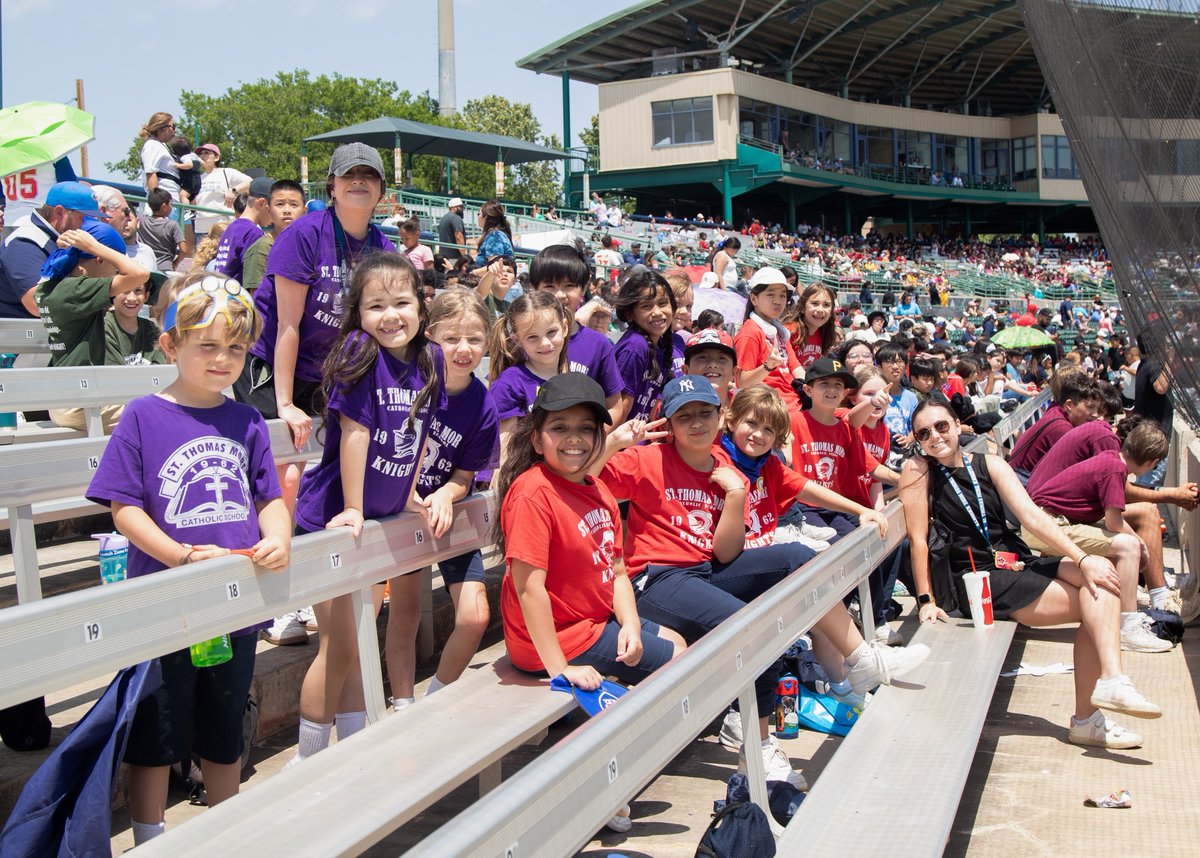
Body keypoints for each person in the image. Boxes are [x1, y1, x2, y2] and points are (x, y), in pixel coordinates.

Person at [594, 375, 928, 787]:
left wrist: (737, 495)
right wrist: (613, 443)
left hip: (706, 569)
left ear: (719, 418)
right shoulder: (647, 459)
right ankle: (759, 746)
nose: (696, 423)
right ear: (669, 421)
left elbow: (727, 552)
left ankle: (859, 662)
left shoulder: (722, 466)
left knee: (797, 558)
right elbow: (583, 478)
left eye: (704, 414)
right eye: (684, 417)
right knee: (756, 626)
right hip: (657, 580)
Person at [84, 274, 291, 843]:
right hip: (165, 605)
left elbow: (268, 496)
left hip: (234, 605)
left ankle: (227, 832)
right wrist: (177, 556)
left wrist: (279, 536)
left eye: (235, 347)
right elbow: (123, 509)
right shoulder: (142, 416)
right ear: (170, 345)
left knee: (225, 729)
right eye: (207, 345)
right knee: (157, 730)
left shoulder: (246, 420)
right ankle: (151, 835)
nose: (223, 359)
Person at [900, 400, 1161, 750]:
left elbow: (1032, 516)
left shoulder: (989, 463)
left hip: (1015, 561)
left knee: (1103, 581)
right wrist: (925, 600)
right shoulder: (918, 473)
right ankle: (1091, 714)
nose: (935, 437)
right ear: (917, 440)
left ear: (958, 424)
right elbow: (918, 540)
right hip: (979, 580)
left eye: (942, 426)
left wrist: (1081, 559)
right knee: (1098, 601)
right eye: (924, 433)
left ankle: (1109, 686)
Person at [291, 252, 442, 762]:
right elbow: (355, 434)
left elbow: (420, 430)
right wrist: (354, 507)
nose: (391, 316)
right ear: (357, 314)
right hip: (333, 517)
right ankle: (307, 757)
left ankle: (351, 748)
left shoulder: (429, 358)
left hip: (380, 515)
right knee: (337, 646)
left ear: (422, 307)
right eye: (376, 305)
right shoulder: (360, 350)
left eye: (401, 302)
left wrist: (411, 490)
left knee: (356, 643)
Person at [496, 371, 684, 687]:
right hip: (554, 640)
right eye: (559, 428)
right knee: (681, 661)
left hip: (592, 622)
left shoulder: (598, 490)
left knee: (677, 639)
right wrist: (560, 670)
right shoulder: (532, 494)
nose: (574, 438)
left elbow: (618, 572)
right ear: (536, 440)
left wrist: (631, 625)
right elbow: (530, 590)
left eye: (586, 428)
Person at [237, 142, 395, 500]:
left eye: (369, 174)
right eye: (349, 174)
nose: (358, 181)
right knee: (281, 473)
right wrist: (286, 403)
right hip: (274, 365)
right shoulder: (303, 235)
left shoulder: (384, 248)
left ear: (382, 190)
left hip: (329, 371)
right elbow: (288, 325)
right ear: (332, 187)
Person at [385, 290, 499, 707]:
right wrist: (409, 493)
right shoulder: (409, 383)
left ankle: (434, 702)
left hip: (448, 515)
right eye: (452, 338)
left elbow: (466, 475)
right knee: (405, 614)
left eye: (474, 338)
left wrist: (449, 494)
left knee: (475, 616)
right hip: (404, 510)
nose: (464, 349)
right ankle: (403, 705)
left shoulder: (482, 402)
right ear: (430, 336)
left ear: (487, 341)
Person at [1021, 420, 1174, 652]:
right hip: (1047, 525)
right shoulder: (1116, 469)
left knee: (1126, 543)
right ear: (1152, 463)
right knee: (1129, 546)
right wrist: (1141, 544)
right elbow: (1114, 522)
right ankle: (1128, 628)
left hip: (1047, 521)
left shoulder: (1112, 458)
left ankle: (1124, 608)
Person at [35, 220, 166, 431]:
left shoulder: (54, 286)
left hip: (69, 396)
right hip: (78, 401)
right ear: (99, 258)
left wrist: (76, 246)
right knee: (165, 413)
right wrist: (94, 246)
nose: (117, 273)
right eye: (115, 267)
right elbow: (139, 275)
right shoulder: (75, 289)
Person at [527, 244, 623, 424]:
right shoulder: (520, 341)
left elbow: (615, 406)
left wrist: (595, 445)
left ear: (583, 288)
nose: (560, 295)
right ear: (534, 288)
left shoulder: (598, 344)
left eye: (569, 285)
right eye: (549, 286)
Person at [0, 181, 106, 319]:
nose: (86, 224)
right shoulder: (25, 241)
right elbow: (38, 304)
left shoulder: (56, 238)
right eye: (83, 217)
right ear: (60, 212)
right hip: (20, 336)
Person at [488, 291, 571, 457]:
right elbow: (503, 454)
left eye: (551, 332)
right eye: (533, 337)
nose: (545, 343)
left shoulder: (572, 381)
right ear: (517, 339)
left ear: (565, 327)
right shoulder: (510, 384)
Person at [612, 268, 676, 424]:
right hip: (622, 443)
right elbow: (621, 408)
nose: (657, 312)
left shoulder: (660, 344)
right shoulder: (635, 346)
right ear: (630, 314)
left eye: (663, 303)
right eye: (646, 306)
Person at [1006, 371, 1100, 476]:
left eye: (1097, 408)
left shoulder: (1056, 410)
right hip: (1021, 481)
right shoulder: (1062, 428)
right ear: (1069, 405)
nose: (1096, 414)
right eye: (1090, 407)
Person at [240, 180, 306, 294]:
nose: (287, 210)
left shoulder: (309, 246)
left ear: (304, 211)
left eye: (294, 204)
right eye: (280, 204)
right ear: (268, 210)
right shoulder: (262, 248)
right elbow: (257, 299)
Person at [214, 178, 275, 282]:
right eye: (273, 208)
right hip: (236, 294)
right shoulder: (253, 233)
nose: (274, 216)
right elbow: (254, 278)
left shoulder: (232, 227)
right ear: (261, 203)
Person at [1132, 341, 1172, 488]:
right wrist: (1169, 362)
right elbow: (1160, 387)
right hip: (1155, 438)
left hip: (1148, 434)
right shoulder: (1156, 364)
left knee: (1144, 482)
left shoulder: (1144, 364)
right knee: (1150, 484)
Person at [192, 144, 251, 239]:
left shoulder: (226, 172)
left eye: (206, 153)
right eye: (201, 154)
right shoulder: (197, 177)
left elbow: (250, 182)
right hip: (201, 228)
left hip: (221, 225)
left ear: (217, 157)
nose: (202, 156)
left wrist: (233, 191)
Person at [785, 283, 839, 370]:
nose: (820, 310)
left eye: (826, 305)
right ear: (802, 307)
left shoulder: (824, 334)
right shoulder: (790, 331)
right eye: (815, 303)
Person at [683, 328, 737, 408]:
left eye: (722, 358)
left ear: (734, 372)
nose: (712, 364)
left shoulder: (744, 409)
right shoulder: (673, 409)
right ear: (686, 370)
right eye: (702, 357)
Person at [137, 188, 188, 272]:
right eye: (170, 204)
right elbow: (184, 250)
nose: (171, 207)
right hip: (164, 268)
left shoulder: (141, 220)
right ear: (164, 206)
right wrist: (176, 263)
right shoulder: (172, 225)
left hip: (144, 266)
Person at [138, 113, 183, 204]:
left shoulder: (163, 146)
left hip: (172, 201)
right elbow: (151, 173)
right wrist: (157, 203)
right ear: (162, 128)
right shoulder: (152, 145)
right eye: (173, 126)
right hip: (162, 204)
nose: (175, 130)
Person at [472, 200, 514, 272]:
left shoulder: (494, 237)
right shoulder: (497, 235)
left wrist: (473, 273)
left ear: (486, 217)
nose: (478, 216)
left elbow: (496, 267)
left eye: (479, 214)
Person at [438, 197, 467, 263]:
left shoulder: (444, 218)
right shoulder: (456, 218)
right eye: (460, 207)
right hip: (454, 258)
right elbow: (458, 236)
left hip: (443, 257)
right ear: (454, 208)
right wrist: (464, 256)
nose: (462, 209)